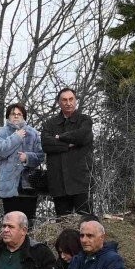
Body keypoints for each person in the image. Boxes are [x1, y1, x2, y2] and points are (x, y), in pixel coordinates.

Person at [41, 87, 94, 217]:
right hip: (58, 184)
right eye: (64, 100)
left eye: (71, 99)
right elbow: (46, 144)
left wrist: (60, 137)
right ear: (59, 102)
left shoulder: (85, 120)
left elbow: (82, 136)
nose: (68, 103)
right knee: (63, 226)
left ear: (75, 101)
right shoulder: (50, 123)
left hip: (81, 180)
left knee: (86, 221)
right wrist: (69, 144)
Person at [0, 104, 46, 220]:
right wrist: (16, 136)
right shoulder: (0, 132)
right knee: (11, 222)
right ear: (8, 116)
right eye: (13, 114)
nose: (16, 116)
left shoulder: (33, 133)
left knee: (28, 223)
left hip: (28, 185)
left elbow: (41, 156)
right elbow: (1, 152)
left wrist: (27, 157)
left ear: (23, 116)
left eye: (19, 114)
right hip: (9, 185)